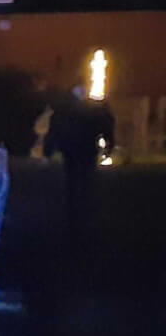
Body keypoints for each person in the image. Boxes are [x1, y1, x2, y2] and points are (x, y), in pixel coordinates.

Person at [48, 84, 114, 229]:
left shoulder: (65, 109)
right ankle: (84, 208)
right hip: (86, 149)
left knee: (73, 179)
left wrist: (50, 148)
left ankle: (75, 209)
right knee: (85, 178)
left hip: (72, 149)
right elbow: (106, 126)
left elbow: (55, 127)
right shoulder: (94, 109)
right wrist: (109, 146)